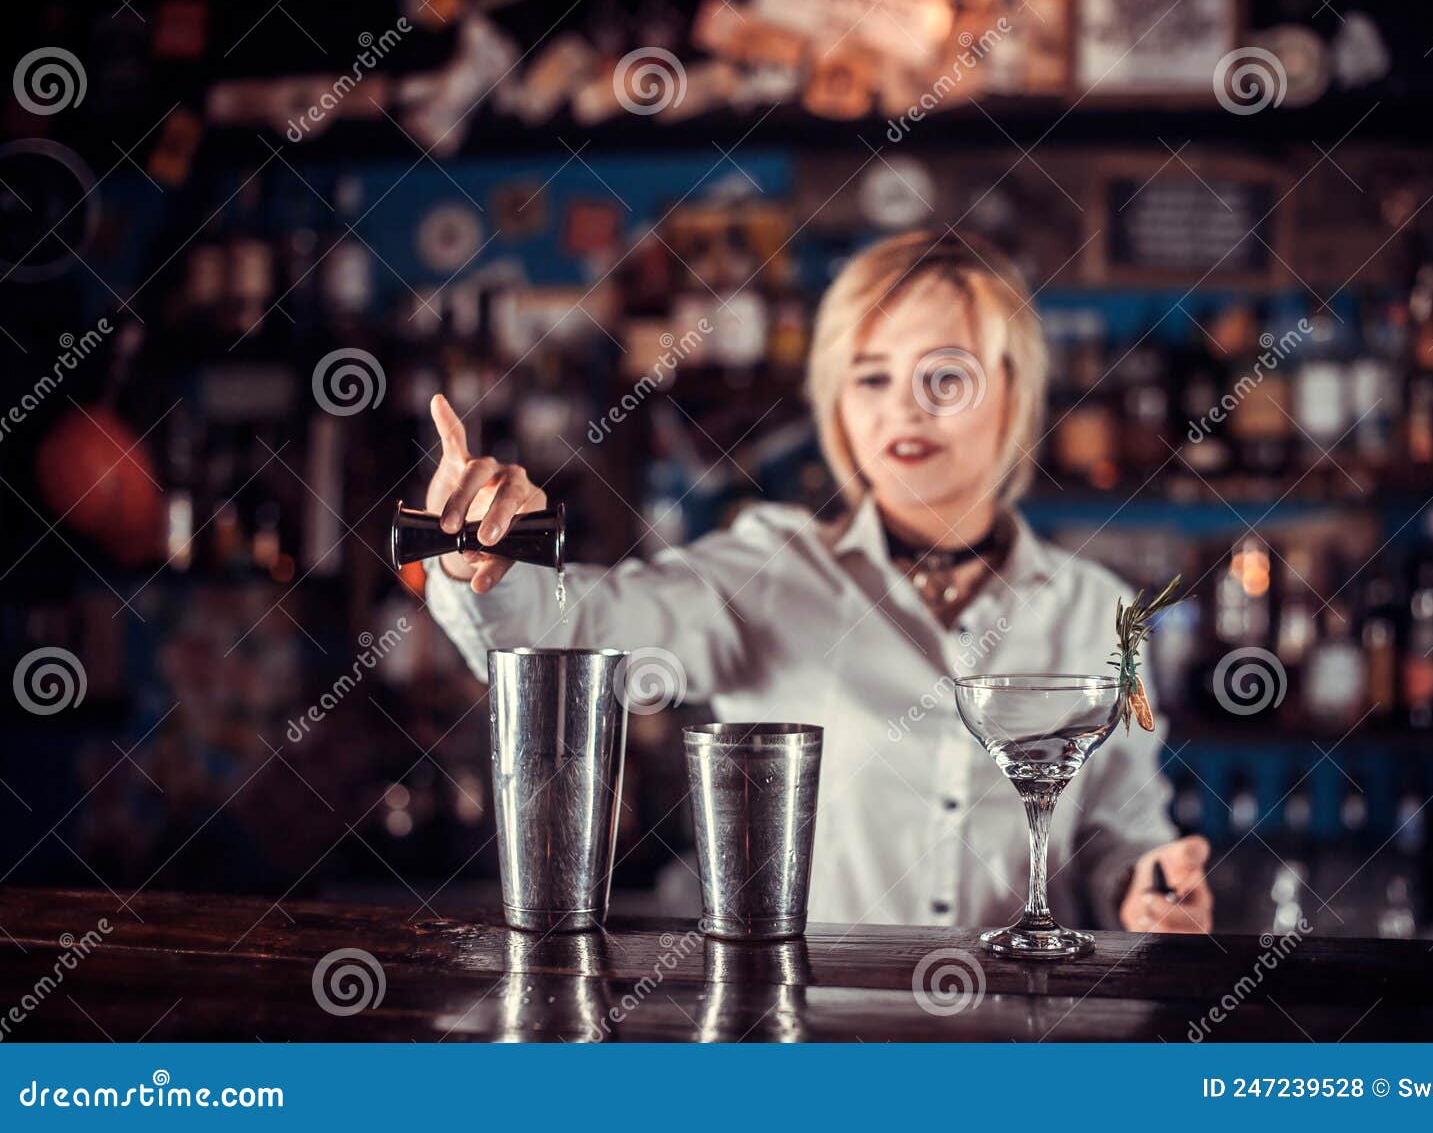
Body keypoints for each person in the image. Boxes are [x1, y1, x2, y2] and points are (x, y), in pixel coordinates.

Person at [421, 229, 1212, 934]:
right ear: (837, 402)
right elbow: (572, 631)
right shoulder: (769, 568)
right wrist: (487, 554)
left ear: (1012, 391)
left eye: (944, 378)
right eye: (870, 378)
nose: (903, 407)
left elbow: (1120, 828)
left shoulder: (1101, 612)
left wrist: (1145, 889)